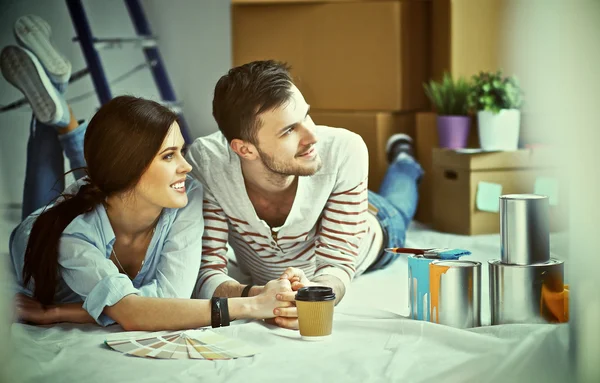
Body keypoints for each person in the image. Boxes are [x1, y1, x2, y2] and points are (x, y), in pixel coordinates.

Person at [2, 16, 293, 330]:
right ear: (129, 170)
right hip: (37, 238)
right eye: (170, 155)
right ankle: (58, 110)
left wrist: (62, 313)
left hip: (108, 193)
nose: (187, 165)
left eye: (180, 150)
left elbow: (171, 299)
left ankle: (62, 112)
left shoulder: (187, 195)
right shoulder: (73, 236)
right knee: (53, 193)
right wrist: (251, 304)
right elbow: (136, 311)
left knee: (100, 168)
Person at [186, 60, 424, 329]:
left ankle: (404, 160)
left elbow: (337, 265)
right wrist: (257, 297)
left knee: (399, 209)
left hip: (374, 223)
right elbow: (207, 271)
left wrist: (318, 297)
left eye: (307, 116)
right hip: (328, 192)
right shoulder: (207, 162)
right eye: (289, 130)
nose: (313, 136)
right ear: (244, 149)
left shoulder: (345, 149)